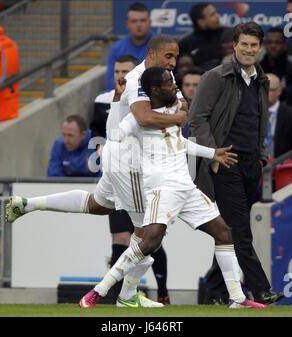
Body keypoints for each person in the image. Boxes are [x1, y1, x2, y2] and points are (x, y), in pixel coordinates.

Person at [6, 35, 189, 309]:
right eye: (169, 56)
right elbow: (146, 117)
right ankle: (126, 296)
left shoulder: (160, 77)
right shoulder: (141, 79)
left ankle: (28, 204)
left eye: (176, 57)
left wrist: (177, 110)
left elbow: (180, 104)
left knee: (98, 204)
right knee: (147, 235)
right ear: (151, 53)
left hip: (120, 155)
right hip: (132, 163)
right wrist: (175, 117)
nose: (173, 63)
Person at [78, 67, 267, 310]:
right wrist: (116, 124)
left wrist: (212, 154)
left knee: (223, 233)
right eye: (169, 83)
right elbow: (113, 136)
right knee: (148, 244)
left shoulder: (171, 111)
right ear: (155, 90)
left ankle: (237, 299)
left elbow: (178, 142)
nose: (174, 86)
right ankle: (98, 291)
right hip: (163, 188)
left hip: (186, 187)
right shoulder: (136, 120)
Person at [189, 22, 284, 305]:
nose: (249, 49)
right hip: (225, 161)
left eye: (254, 45)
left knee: (232, 230)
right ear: (234, 44)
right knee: (241, 229)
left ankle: (214, 290)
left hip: (251, 164)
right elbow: (196, 119)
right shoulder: (215, 77)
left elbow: (259, 120)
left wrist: (261, 156)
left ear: (260, 47)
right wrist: (213, 154)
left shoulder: (262, 79)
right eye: (244, 44)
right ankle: (261, 288)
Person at [91, 54, 171, 305]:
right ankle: (119, 295)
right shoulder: (103, 100)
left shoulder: (142, 97)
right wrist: (100, 148)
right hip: (117, 175)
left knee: (151, 239)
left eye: (125, 71)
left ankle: (162, 291)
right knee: (120, 238)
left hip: (140, 175)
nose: (121, 76)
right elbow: (99, 131)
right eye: (116, 71)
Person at [106, 2, 153, 90]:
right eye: (134, 21)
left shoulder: (159, 47)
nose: (139, 25)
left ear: (149, 22)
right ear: (127, 24)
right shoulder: (116, 49)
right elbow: (110, 81)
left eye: (143, 20)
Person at [179, 3, 227, 72]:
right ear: (201, 22)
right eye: (212, 15)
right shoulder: (185, 44)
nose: (218, 16)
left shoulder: (228, 36)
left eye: (216, 13)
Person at [265, 73, 292, 158]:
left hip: (282, 165)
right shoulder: (250, 113)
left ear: (279, 91)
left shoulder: (289, 115)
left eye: (270, 89)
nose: (265, 93)